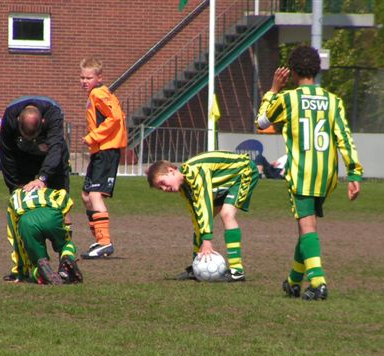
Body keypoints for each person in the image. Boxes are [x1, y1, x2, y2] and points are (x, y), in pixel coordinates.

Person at [256, 45, 363, 300]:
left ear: (292, 72)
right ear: (317, 69)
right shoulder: (333, 101)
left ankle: (318, 282)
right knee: (307, 228)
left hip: (302, 173)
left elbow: (261, 122)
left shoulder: (288, 98)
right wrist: (354, 174)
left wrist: (273, 90)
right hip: (326, 176)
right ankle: (293, 281)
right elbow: (344, 139)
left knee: (307, 228)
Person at [146, 151, 259, 282]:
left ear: (171, 171)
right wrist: (200, 246)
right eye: (160, 188)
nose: (164, 189)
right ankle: (196, 268)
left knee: (227, 214)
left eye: (162, 183)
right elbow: (197, 216)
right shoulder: (185, 188)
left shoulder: (195, 171)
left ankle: (237, 271)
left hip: (243, 172)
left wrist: (207, 241)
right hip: (221, 183)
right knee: (202, 221)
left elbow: (204, 203)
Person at [0, 95, 72, 281]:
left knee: (62, 204)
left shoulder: (53, 115)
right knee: (20, 208)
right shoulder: (9, 118)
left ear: (43, 122)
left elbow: (56, 149)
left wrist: (43, 177)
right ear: (17, 122)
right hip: (22, 162)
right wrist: (14, 187)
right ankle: (48, 259)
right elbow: (6, 155)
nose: (30, 140)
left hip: (52, 162)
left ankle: (64, 262)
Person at [79, 57, 127, 259]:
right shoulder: (94, 94)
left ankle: (104, 243)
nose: (84, 81)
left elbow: (115, 118)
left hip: (107, 149)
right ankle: (99, 241)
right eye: (81, 77)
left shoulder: (99, 93)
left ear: (99, 78)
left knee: (95, 195)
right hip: (100, 150)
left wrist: (93, 137)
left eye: (88, 77)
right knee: (86, 196)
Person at [6, 187, 83, 285]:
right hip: (51, 215)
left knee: (37, 262)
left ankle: (39, 272)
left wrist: (20, 272)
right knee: (66, 245)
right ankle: (67, 256)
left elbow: (15, 237)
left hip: (27, 221)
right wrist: (64, 220)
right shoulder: (43, 189)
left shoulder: (14, 196)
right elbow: (63, 195)